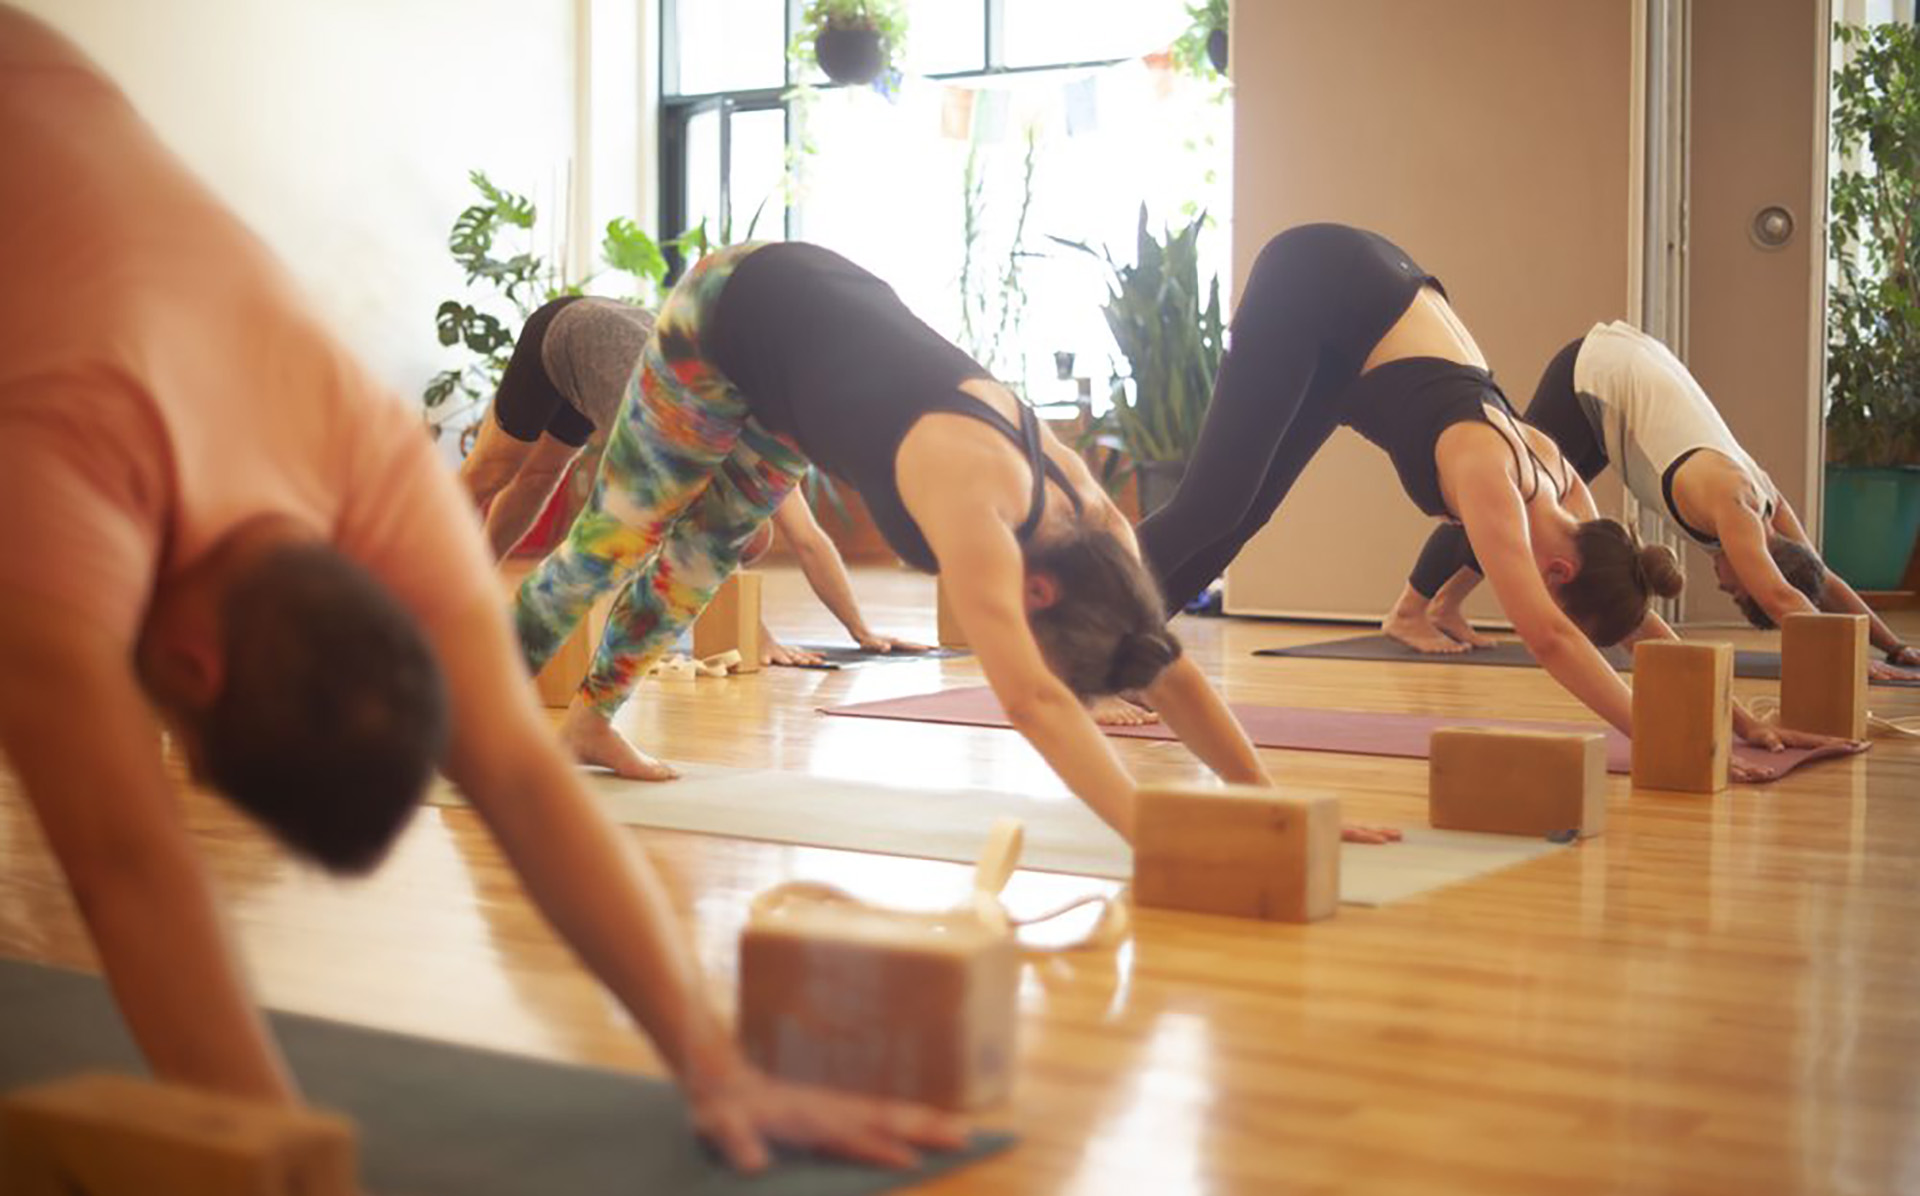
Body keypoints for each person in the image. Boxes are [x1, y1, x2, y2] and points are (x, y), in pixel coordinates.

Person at [0, 12, 963, 1196]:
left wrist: (714, 1067)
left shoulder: (353, 448)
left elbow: (513, 766)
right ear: (188, 678)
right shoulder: (54, 479)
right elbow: (127, 861)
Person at [509, 238, 1398, 840]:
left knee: (704, 554)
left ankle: (589, 726)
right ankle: (464, 695)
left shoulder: (1101, 527)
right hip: (731, 311)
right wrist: (1153, 840)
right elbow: (1033, 704)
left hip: (804, 356)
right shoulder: (979, 513)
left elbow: (1162, 662)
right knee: (618, 536)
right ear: (1038, 595)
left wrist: (1274, 806)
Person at [1135, 224, 1859, 777]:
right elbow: (1549, 636)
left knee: (1243, 513)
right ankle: (1069, 650)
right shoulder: (1492, 473)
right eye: (1557, 593)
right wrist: (1670, 743)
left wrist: (1733, 720)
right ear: (1561, 574)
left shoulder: (1565, 485)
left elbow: (1634, 621)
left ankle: (1130, 654)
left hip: (1365, 317)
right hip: (1322, 280)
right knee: (1211, 502)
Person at [1380, 320, 1920, 680]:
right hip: (1593, 374)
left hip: (1627, 375)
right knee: (1508, 498)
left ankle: (1442, 604)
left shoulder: (1767, 501)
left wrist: (1894, 648)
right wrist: (1846, 663)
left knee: (1529, 511)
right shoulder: (1736, 508)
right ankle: (1410, 610)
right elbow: (1782, 598)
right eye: (1740, 590)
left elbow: (1824, 581)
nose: (1727, 586)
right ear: (1760, 562)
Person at [455, 294, 926, 665]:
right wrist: (754, 637)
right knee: (492, 473)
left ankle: (468, 594)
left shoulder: (763, 452)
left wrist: (861, 631)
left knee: (544, 473)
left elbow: (809, 540)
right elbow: (697, 546)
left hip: (609, 358)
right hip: (562, 335)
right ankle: (429, 577)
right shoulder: (689, 450)